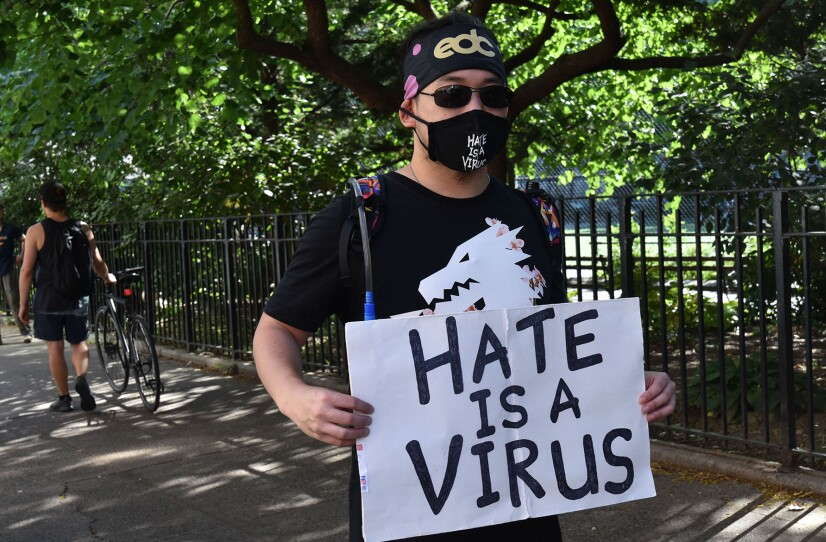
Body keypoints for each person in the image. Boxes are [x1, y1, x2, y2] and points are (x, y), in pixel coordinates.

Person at [253, 13, 676, 542]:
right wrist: (295, 398)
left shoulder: (532, 216)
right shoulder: (359, 217)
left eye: (493, 96)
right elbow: (277, 331)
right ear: (409, 110)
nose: (476, 109)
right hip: (409, 508)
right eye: (452, 95)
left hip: (528, 506)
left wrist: (627, 386)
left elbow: (555, 345)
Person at [19, 182, 115, 413]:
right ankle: (81, 377)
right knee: (79, 342)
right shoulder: (83, 227)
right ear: (65, 203)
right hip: (77, 296)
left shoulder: (35, 231)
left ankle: (64, 398)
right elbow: (96, 261)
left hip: (49, 298)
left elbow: (27, 270)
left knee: (55, 347)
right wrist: (106, 275)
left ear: (44, 203)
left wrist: (22, 304)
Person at [0, 202, 33, 342]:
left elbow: (25, 239)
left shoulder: (10, 228)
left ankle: (25, 331)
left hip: (7, 268)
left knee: (14, 301)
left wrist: (21, 255)